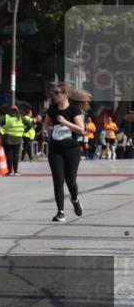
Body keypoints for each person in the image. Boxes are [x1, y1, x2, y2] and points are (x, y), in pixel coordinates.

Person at [44, 83, 85, 222]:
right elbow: (47, 123)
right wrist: (45, 130)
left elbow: (81, 129)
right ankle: (60, 212)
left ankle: (75, 200)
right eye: (53, 92)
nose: (54, 95)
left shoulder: (74, 109)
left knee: (71, 181)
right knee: (58, 181)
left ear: (65, 94)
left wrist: (65, 122)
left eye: (57, 92)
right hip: (55, 150)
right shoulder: (52, 109)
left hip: (72, 150)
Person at [0, 105, 26, 175]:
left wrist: (2, 130)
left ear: (10, 110)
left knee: (9, 155)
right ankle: (16, 171)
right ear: (17, 110)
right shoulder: (20, 117)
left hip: (8, 139)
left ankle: (9, 171)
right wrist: (23, 130)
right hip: (18, 138)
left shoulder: (6, 117)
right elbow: (29, 125)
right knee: (16, 155)